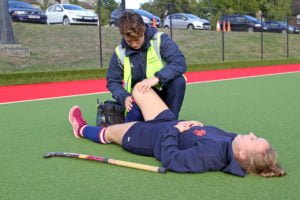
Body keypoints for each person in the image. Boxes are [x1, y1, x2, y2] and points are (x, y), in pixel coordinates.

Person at [69, 82, 286, 177]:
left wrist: (175, 130)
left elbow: (172, 159)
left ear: (242, 154)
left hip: (149, 138)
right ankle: (128, 118)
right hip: (168, 122)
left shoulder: (210, 156)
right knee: (140, 89)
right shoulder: (231, 140)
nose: (251, 134)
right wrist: (197, 124)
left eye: (253, 139)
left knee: (109, 132)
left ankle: (81, 129)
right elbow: (207, 134)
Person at [106, 11, 186, 122]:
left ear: (143, 30)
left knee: (178, 81)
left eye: (137, 39)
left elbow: (179, 62)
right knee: (134, 130)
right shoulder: (120, 52)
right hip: (138, 97)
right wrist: (124, 96)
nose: (134, 44)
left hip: (161, 92)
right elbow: (112, 81)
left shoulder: (160, 40)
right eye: (129, 41)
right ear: (123, 35)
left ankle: (171, 123)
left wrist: (157, 78)